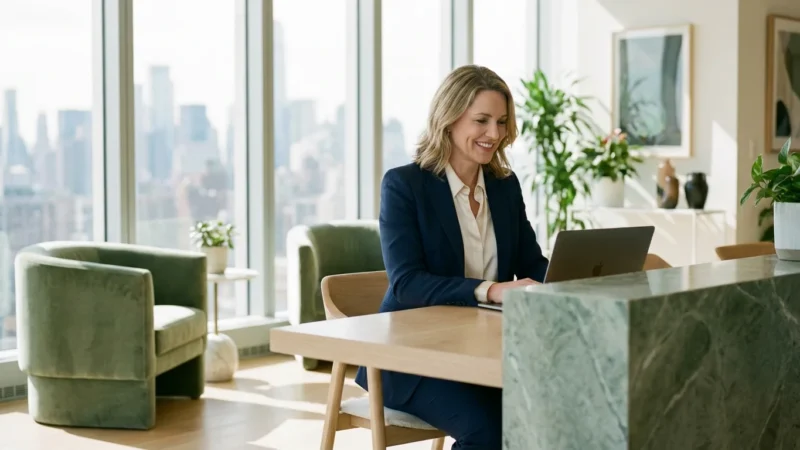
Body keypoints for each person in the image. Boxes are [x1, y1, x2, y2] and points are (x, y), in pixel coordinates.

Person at [354, 65, 549, 449]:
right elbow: (407, 283)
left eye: (502, 122)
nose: (494, 134)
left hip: (483, 352)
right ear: (449, 119)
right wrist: (490, 290)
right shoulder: (405, 185)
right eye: (482, 120)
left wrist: (576, 278)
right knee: (490, 433)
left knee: (556, 412)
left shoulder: (504, 187)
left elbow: (531, 264)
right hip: (410, 360)